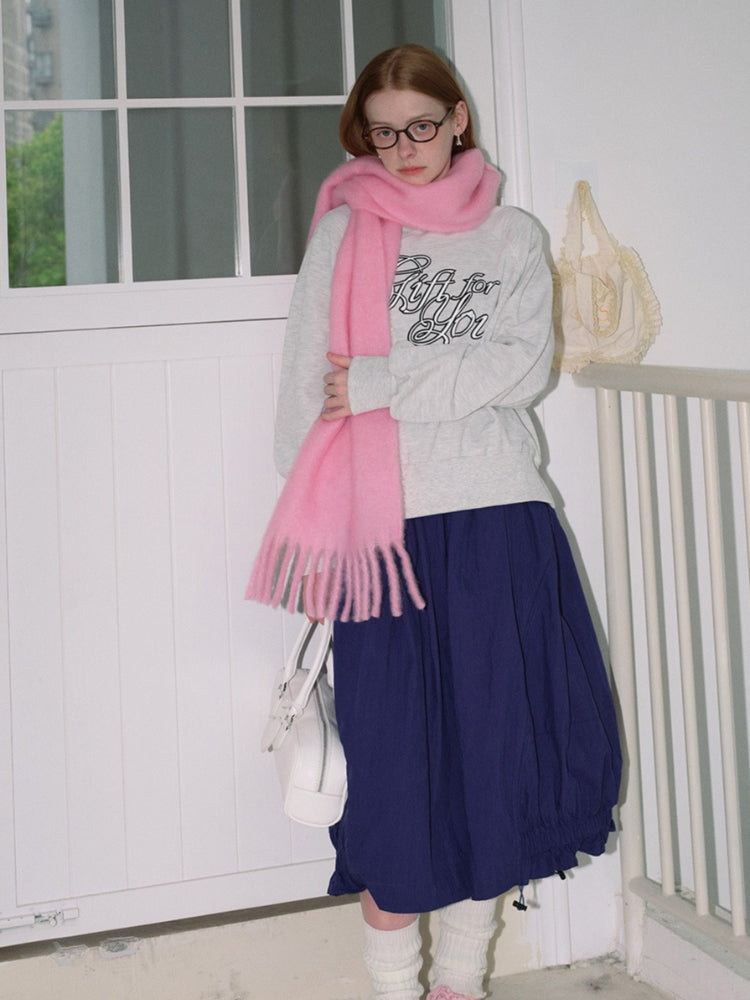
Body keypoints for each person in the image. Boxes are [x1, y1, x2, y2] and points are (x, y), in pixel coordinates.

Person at [248, 44, 622, 1000]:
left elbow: (519, 369)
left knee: (493, 763)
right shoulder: (344, 235)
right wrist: (323, 515)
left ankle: (458, 984)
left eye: (422, 124)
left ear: (458, 119)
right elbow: (304, 393)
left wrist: (380, 384)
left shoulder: (512, 236)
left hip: (497, 520)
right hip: (383, 540)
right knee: (396, 779)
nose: (405, 147)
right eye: (383, 133)